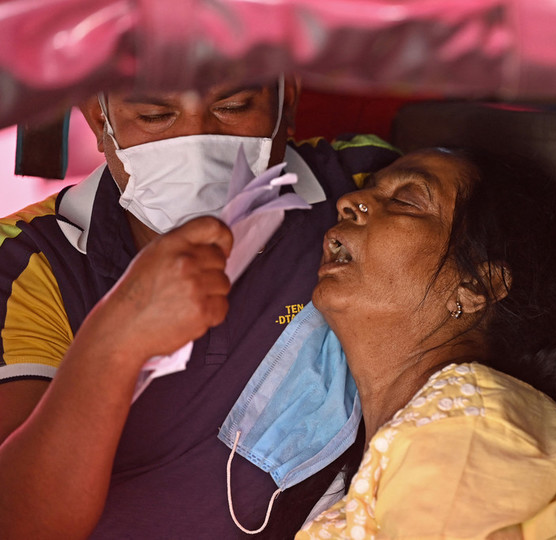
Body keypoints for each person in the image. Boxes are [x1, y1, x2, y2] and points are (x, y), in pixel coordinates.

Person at [0, 76, 399, 538]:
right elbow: (20, 521)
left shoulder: (361, 187)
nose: (195, 143)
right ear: (98, 118)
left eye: (234, 106)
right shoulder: (28, 261)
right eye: (154, 116)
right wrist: (115, 337)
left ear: (286, 99)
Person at [293, 148, 556, 538]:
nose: (347, 202)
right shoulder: (433, 432)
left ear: (477, 286)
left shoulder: (464, 431)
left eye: (406, 200)